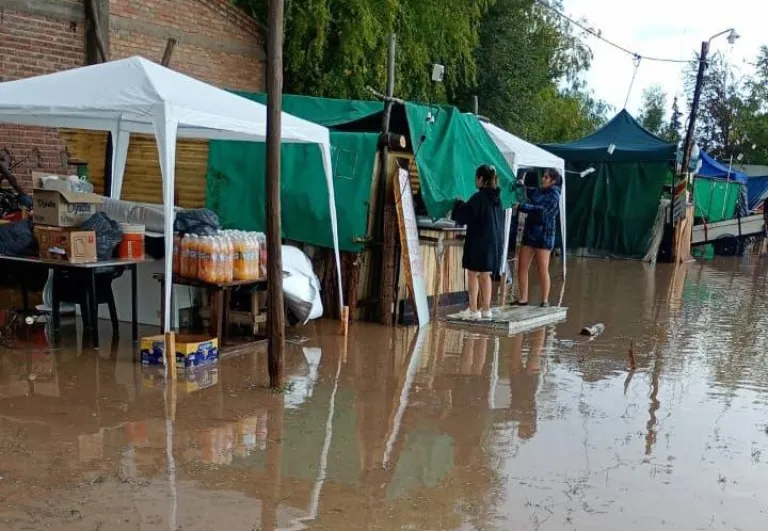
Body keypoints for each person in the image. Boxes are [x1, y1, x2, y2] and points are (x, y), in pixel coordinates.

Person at [450, 164, 504, 320]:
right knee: (486, 274)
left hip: (479, 241)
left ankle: (473, 310)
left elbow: (463, 215)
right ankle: (486, 309)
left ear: (481, 179)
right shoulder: (497, 199)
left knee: (473, 273)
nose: (475, 181)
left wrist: (458, 204)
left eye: (476, 178)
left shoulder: (479, 197)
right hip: (493, 242)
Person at [513, 169, 562, 307]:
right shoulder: (537, 191)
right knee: (522, 266)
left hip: (545, 234)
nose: (543, 179)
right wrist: (519, 187)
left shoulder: (554, 195)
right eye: (543, 177)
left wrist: (523, 207)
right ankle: (523, 298)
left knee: (542, 268)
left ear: (553, 181)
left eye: (546, 177)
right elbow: (528, 199)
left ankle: (545, 300)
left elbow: (542, 211)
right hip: (530, 232)